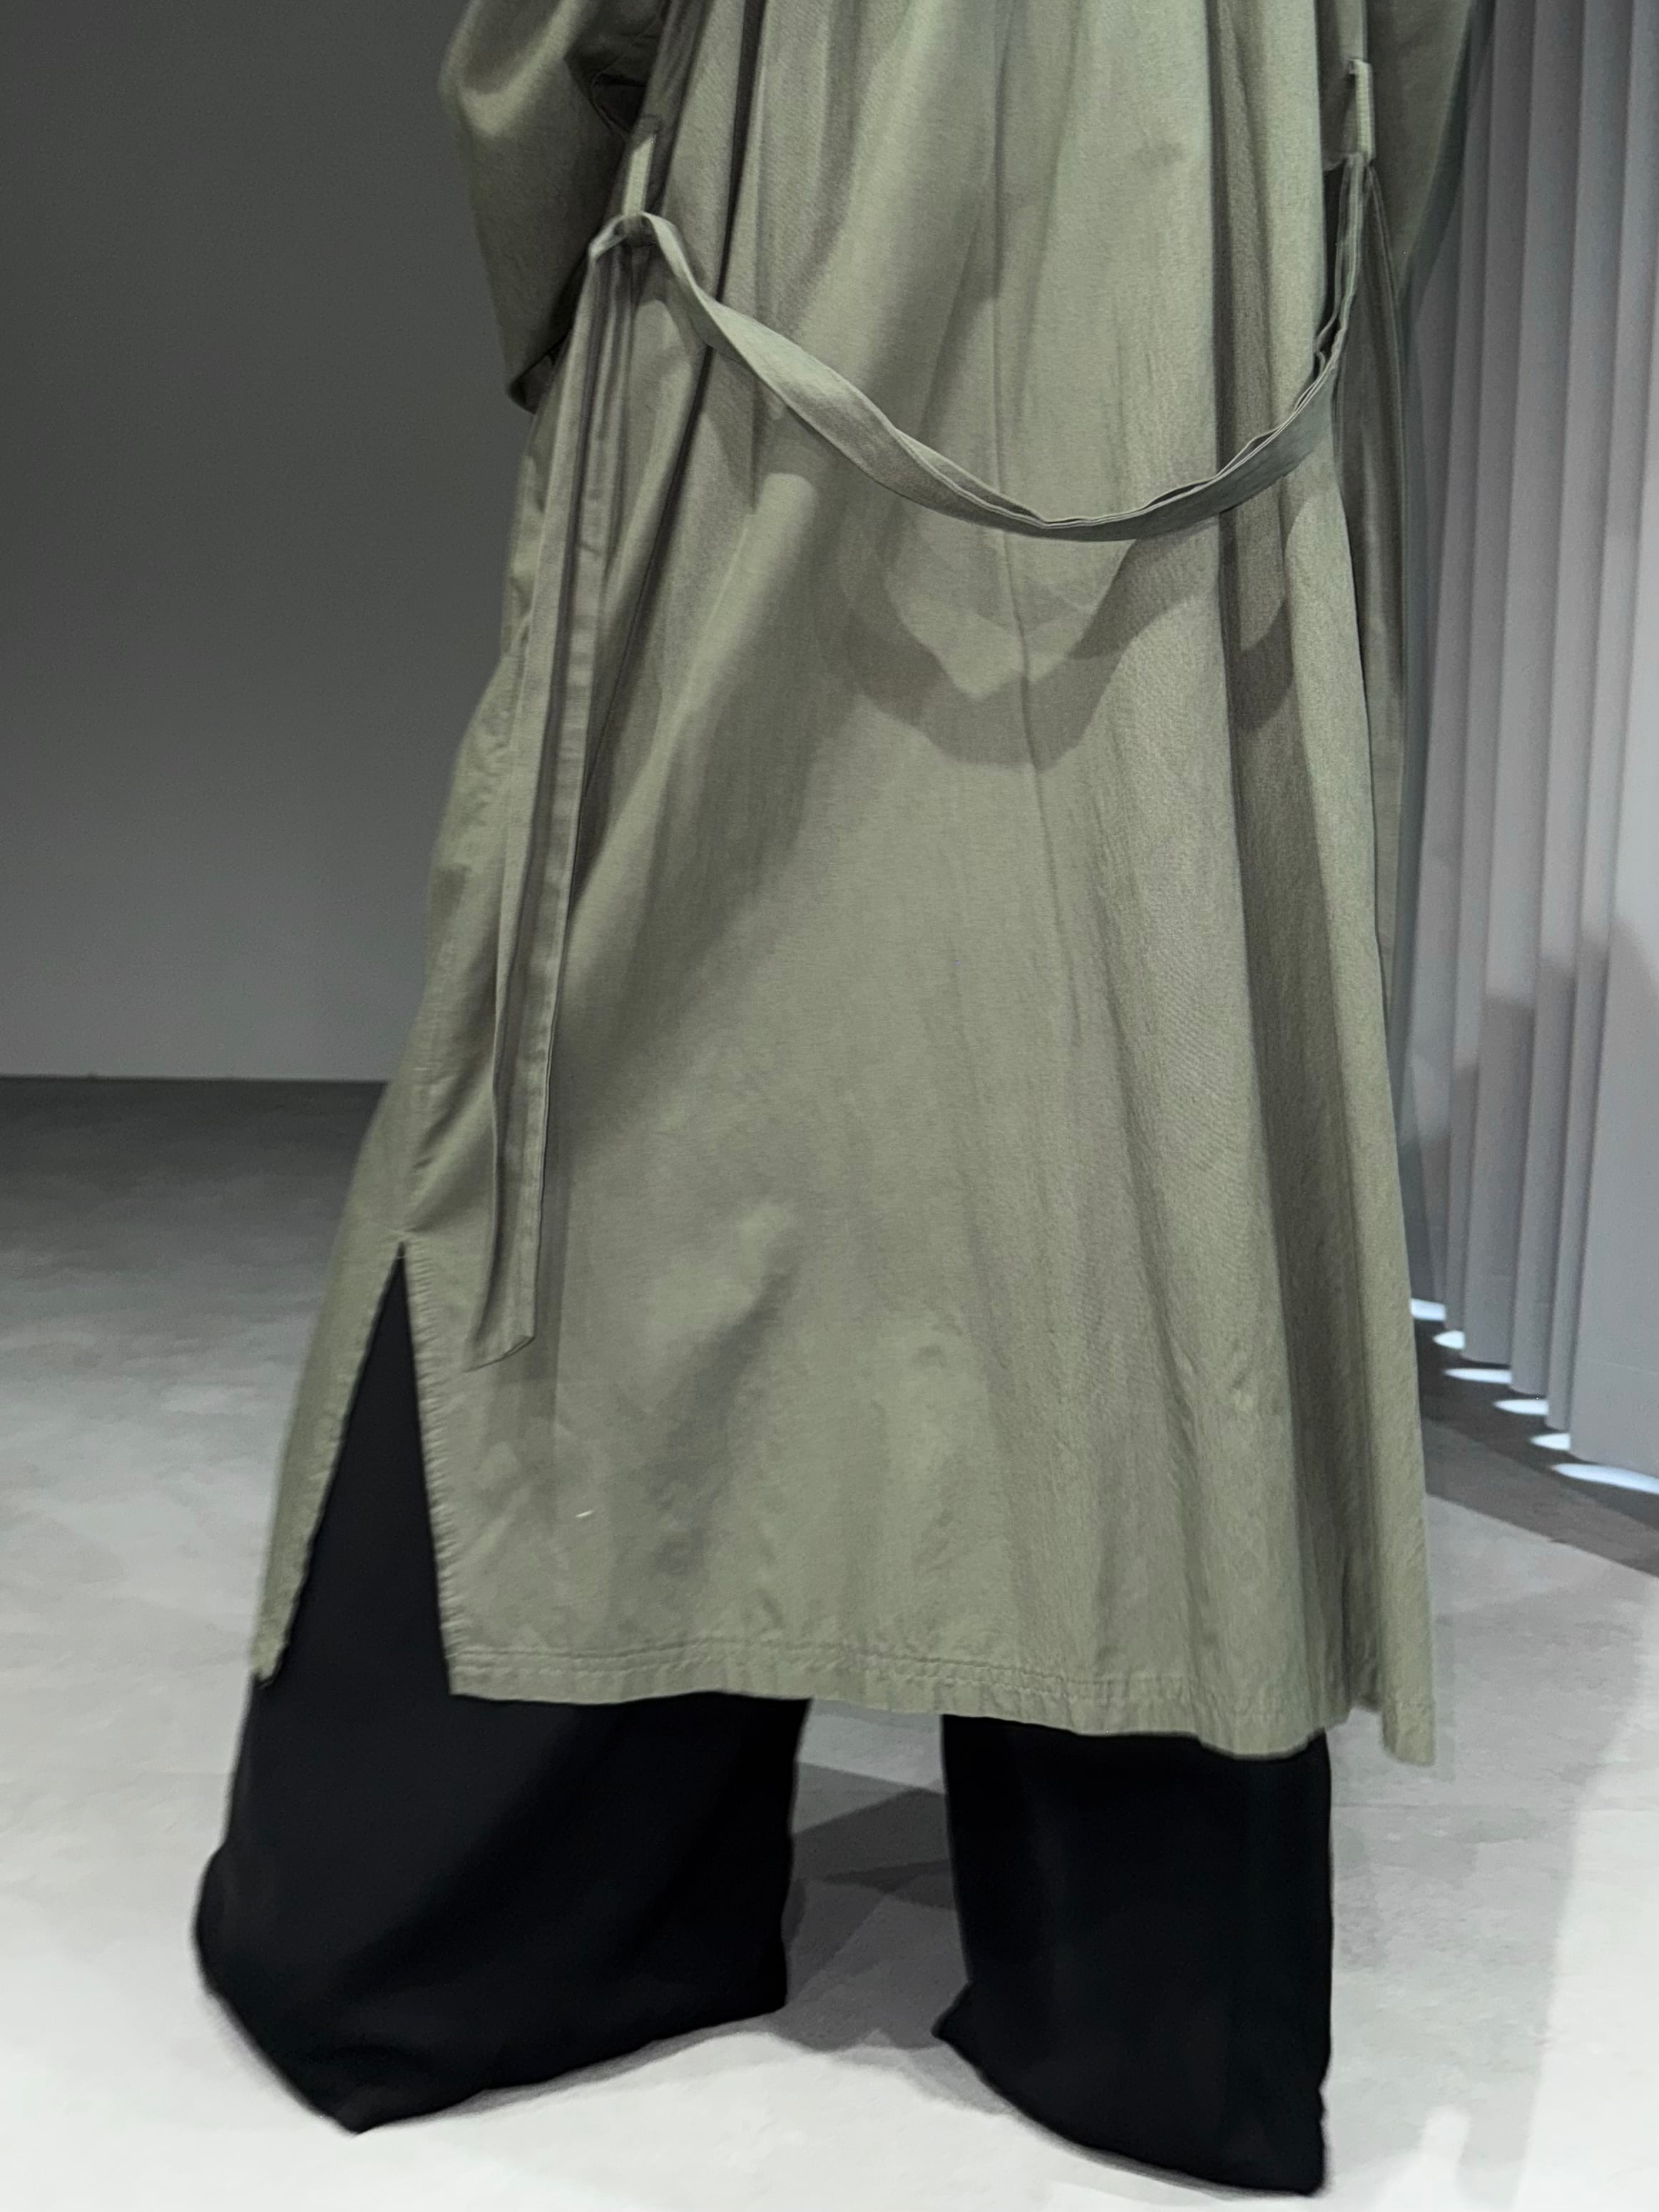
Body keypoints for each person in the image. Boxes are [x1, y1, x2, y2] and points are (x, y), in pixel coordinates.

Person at [193, 1, 1483, 2193]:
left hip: (772, 339)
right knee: (1138, 1103)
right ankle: (1150, 1998)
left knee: (648, 1085)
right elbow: (1405, 88)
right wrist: (1237, 249)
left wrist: (582, 329)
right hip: (1200, 375)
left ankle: (475, 1927)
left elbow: (542, 66)